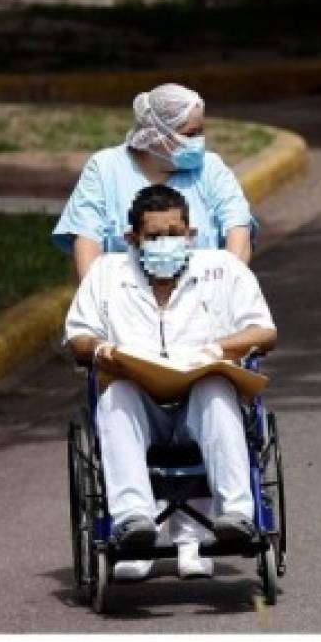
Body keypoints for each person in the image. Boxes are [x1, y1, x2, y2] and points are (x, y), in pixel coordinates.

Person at [64, 184, 277, 580]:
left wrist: (218, 348)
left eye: (175, 233)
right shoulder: (107, 275)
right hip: (140, 401)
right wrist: (102, 350)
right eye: (155, 236)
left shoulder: (222, 270)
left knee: (215, 389)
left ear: (190, 233)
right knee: (116, 395)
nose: (167, 242)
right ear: (133, 238)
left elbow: (264, 332)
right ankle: (133, 519)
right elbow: (77, 337)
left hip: (200, 397)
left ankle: (237, 514)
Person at [53, 83, 256, 281]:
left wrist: (230, 287)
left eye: (200, 132)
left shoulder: (210, 168)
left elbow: (238, 228)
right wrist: (99, 300)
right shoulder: (104, 169)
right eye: (189, 134)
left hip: (203, 302)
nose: (198, 142)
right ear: (155, 135)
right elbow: (87, 241)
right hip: (125, 303)